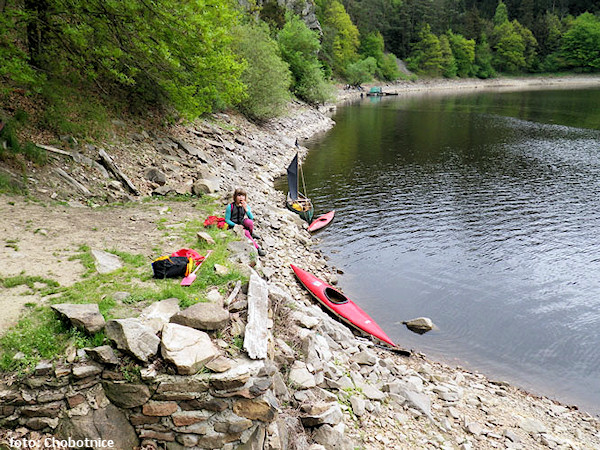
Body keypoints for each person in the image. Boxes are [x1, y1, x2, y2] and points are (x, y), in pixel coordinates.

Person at [225, 188, 266, 256]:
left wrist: (246, 209)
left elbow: (251, 218)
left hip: (241, 222)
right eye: (239, 195)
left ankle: (251, 232)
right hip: (234, 225)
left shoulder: (246, 206)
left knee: (249, 222)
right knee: (246, 233)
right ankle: (258, 248)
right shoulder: (230, 206)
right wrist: (236, 225)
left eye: (243, 196)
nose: (241, 197)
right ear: (235, 197)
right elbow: (227, 220)